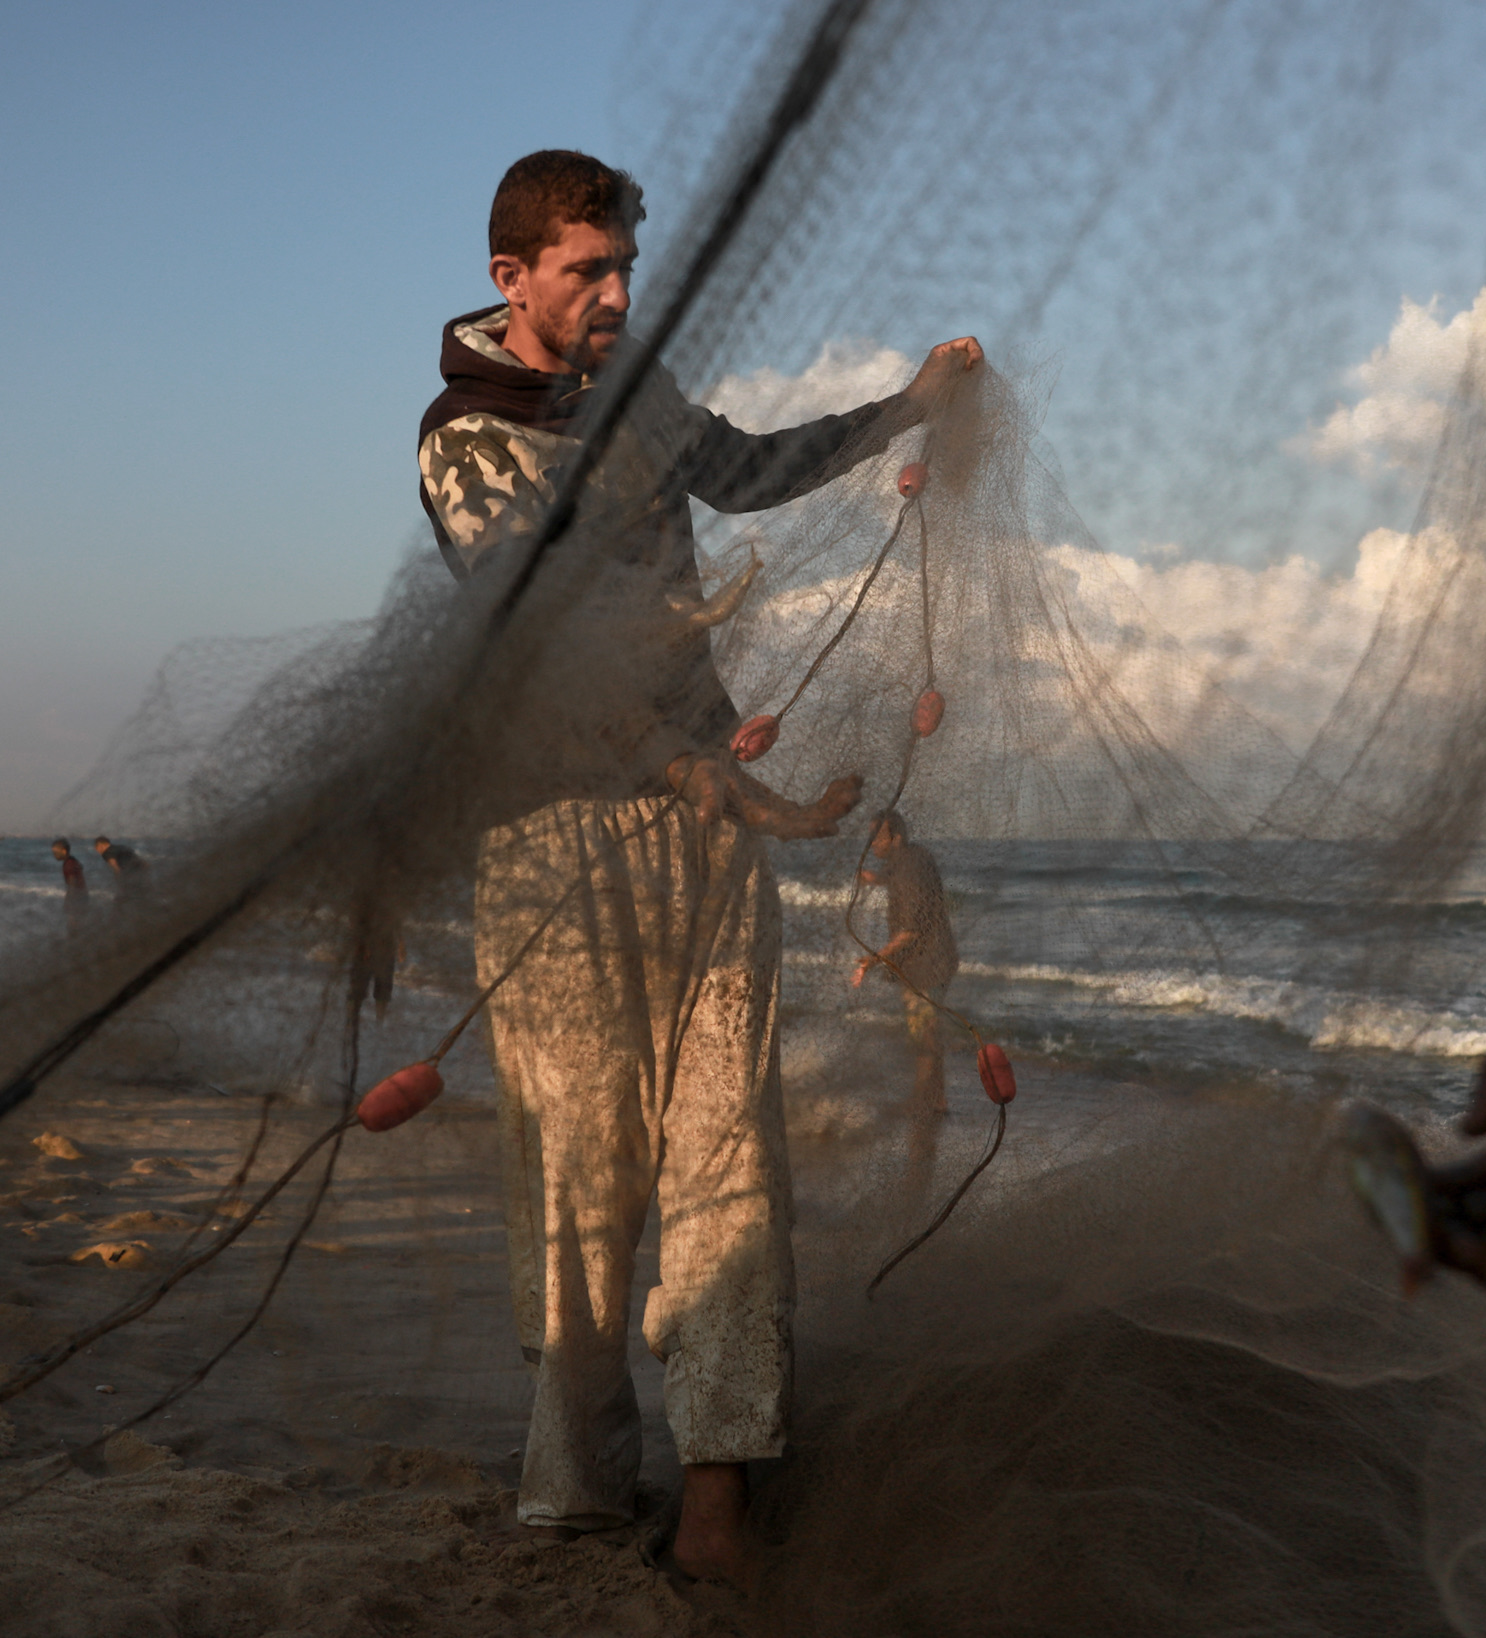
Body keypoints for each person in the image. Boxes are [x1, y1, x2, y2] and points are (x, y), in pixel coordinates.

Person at [417, 149, 983, 1583]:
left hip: (706, 825)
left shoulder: (644, 397)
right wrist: (695, 770)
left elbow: (750, 467)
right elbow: (538, 640)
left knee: (733, 1162)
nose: (615, 295)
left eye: (625, 269)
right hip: (557, 846)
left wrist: (908, 406)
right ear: (512, 279)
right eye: (586, 272)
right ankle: (582, 1484)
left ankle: (720, 1489)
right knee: (583, 1184)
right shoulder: (464, 437)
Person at [852, 810, 960, 1119]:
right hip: (931, 960)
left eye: (878, 838)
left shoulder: (909, 870)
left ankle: (925, 1101)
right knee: (927, 1030)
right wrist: (868, 877)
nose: (872, 844)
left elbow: (910, 930)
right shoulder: (911, 858)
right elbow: (888, 877)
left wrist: (874, 959)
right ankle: (937, 1101)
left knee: (923, 1033)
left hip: (927, 963)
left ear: (896, 838)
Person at [92, 836, 151, 902]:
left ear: (101, 845)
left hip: (129, 874)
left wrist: (119, 880)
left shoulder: (107, 853)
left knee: (122, 899)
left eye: (96, 846)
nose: (96, 849)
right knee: (143, 894)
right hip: (141, 870)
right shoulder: (121, 847)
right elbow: (141, 862)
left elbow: (115, 866)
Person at [50, 839, 86, 935]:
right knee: (78, 925)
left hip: (77, 898)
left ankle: (73, 946)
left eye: (55, 853)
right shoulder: (72, 860)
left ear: (64, 851)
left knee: (73, 926)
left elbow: (72, 884)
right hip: (82, 896)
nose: (54, 855)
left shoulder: (69, 864)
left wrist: (69, 901)